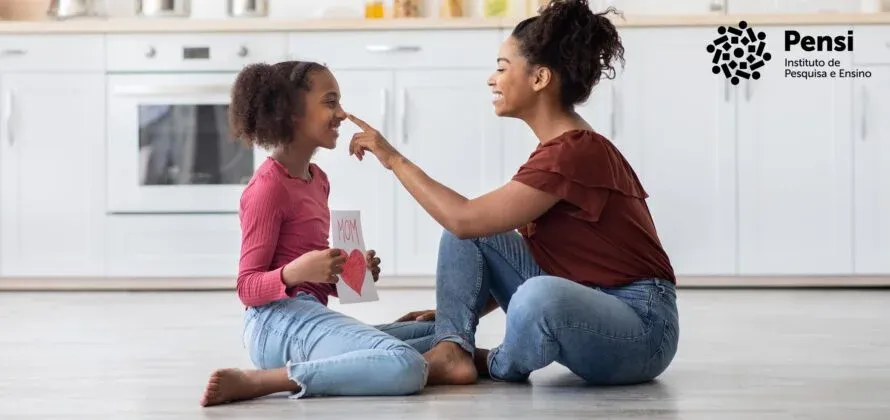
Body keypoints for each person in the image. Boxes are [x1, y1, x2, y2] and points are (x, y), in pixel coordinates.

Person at [345, 0, 679, 387]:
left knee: (534, 290)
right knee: (469, 240)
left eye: (502, 68)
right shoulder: (558, 151)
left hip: (642, 329)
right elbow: (474, 233)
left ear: (539, 79)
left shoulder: (574, 152)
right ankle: (451, 347)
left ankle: (493, 362)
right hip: (582, 302)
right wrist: (456, 313)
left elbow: (465, 217)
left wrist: (392, 157)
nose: (492, 79)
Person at [200, 61, 434, 407]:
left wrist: (351, 275)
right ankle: (261, 381)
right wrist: (297, 271)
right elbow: (247, 288)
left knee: (439, 332)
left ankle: (387, 351)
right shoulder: (267, 188)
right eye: (330, 102)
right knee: (406, 364)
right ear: (291, 111)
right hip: (273, 323)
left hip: (308, 313)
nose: (342, 114)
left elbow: (314, 280)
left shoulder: (318, 180)